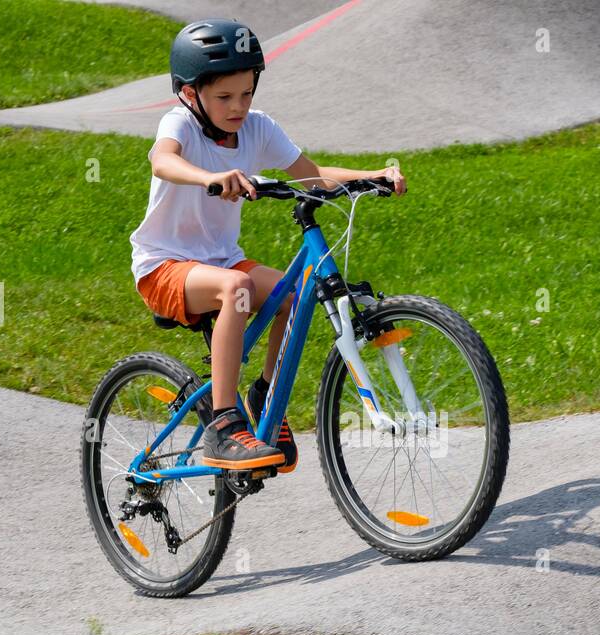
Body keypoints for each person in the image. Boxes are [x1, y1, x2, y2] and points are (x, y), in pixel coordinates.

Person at [129, 18, 407, 471]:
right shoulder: (179, 122)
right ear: (190, 94)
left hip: (222, 261)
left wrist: (370, 177)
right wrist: (211, 178)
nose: (238, 106)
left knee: (293, 297)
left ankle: (263, 397)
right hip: (163, 267)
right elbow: (163, 161)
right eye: (223, 97)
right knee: (235, 288)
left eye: (246, 93)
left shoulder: (257, 129)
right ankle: (222, 425)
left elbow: (312, 176)